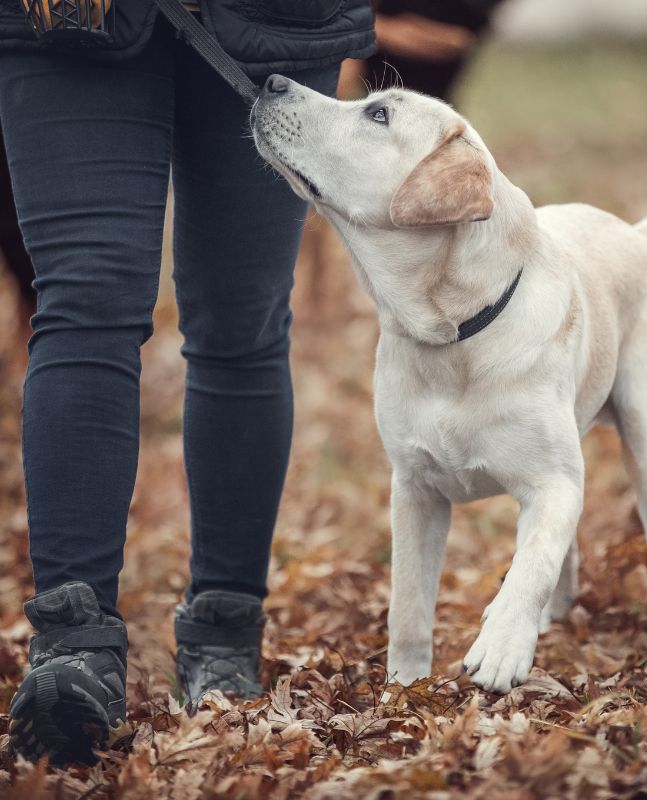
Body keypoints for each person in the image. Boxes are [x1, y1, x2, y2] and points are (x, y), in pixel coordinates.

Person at [0, 0, 374, 765]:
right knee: (85, 299)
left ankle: (224, 635)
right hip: (68, 16)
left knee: (241, 320)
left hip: (278, 16)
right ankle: (74, 646)